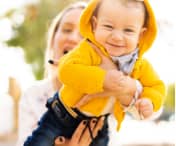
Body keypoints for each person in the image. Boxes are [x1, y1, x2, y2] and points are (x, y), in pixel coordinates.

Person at [23, 0, 166, 146]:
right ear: (94, 27)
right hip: (60, 117)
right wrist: (102, 79)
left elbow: (156, 87)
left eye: (128, 30)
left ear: (141, 35)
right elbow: (66, 70)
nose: (117, 36)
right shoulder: (88, 50)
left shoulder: (138, 64)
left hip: (98, 127)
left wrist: (149, 101)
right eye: (109, 27)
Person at [16, 2, 88, 146]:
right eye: (67, 30)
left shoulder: (106, 99)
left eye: (84, 34)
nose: (73, 38)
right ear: (53, 38)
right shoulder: (32, 95)